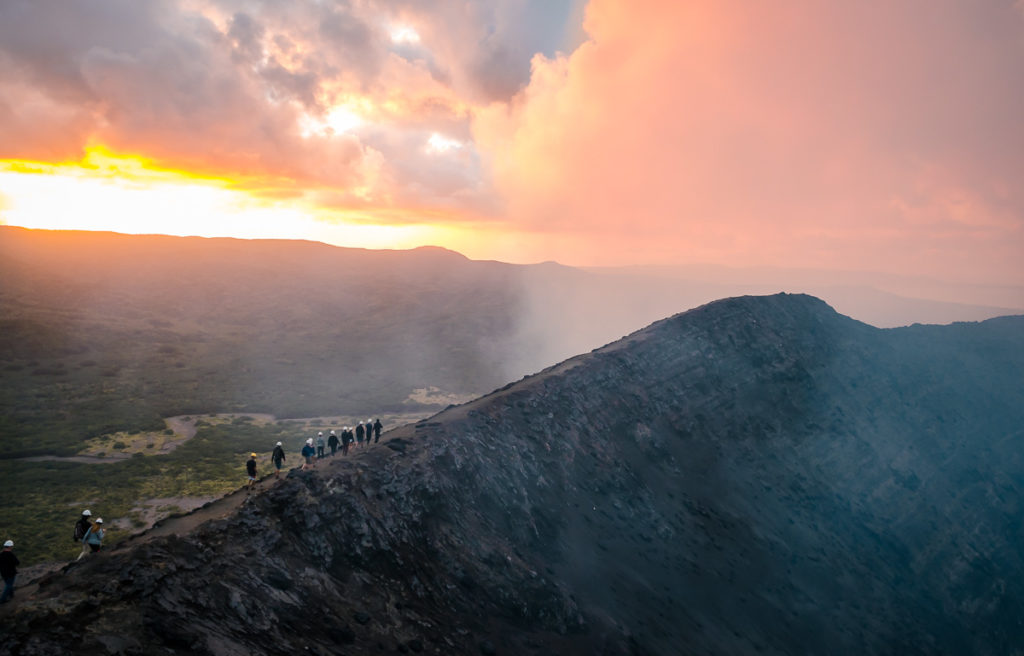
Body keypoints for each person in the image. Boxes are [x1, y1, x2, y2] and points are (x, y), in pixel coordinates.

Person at [0, 540, 17, 604]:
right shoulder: (11, 554)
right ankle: (2, 599)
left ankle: (11, 595)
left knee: (8, 584)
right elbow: (17, 562)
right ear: (10, 547)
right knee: (9, 585)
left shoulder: (1, 554)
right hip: (11, 572)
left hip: (3, 573)